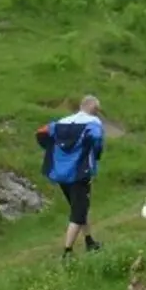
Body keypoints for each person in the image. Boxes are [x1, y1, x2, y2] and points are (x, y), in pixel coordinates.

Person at [38, 95, 107, 259]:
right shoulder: (93, 123)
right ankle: (67, 252)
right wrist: (94, 155)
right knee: (79, 211)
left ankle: (90, 242)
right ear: (94, 109)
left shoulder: (63, 122)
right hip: (79, 173)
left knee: (79, 207)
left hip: (62, 173)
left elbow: (41, 132)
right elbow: (97, 139)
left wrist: (51, 150)